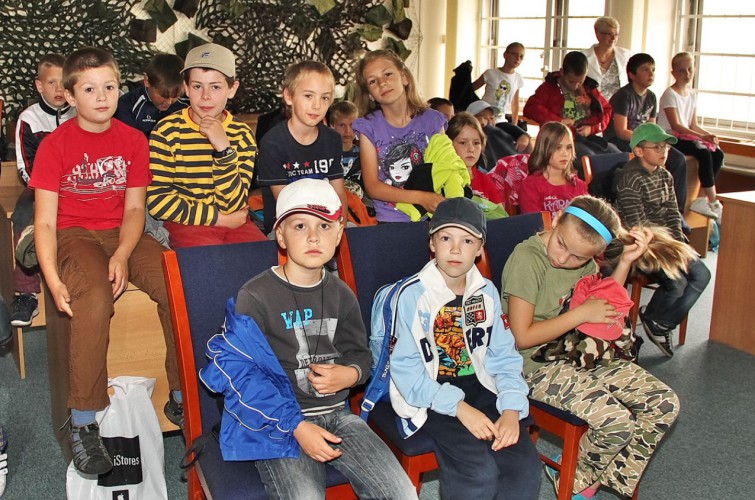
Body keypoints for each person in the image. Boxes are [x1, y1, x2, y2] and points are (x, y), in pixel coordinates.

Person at [202, 178, 417, 499]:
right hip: (280, 424)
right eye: (300, 226)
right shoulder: (255, 296)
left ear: (339, 233)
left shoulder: (341, 294)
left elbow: (359, 354)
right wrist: (297, 427)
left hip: (339, 416)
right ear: (281, 235)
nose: (314, 236)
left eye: (324, 226)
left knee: (402, 493)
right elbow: (239, 374)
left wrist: (351, 373)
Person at [30, 47, 181, 475]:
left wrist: (122, 254)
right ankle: (83, 421)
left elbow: (135, 209)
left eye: (110, 87)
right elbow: (45, 221)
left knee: (176, 282)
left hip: (122, 232)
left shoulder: (133, 140)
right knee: (95, 297)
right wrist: (52, 279)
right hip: (73, 233)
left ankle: (181, 395)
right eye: (90, 89)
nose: (102, 97)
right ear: (70, 96)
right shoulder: (54, 145)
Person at [502, 195, 680, 499]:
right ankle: (577, 480)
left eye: (578, 257)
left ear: (595, 254)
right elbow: (522, 337)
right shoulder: (528, 258)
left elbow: (602, 307)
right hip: (533, 367)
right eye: (561, 244)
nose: (563, 259)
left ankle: (582, 472)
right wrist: (582, 314)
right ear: (557, 218)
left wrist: (624, 263)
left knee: (664, 404)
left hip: (580, 353)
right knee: (617, 423)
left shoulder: (585, 261)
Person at [389, 197, 541, 500]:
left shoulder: (487, 292)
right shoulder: (411, 296)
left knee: (524, 469)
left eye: (467, 240)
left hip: (482, 386)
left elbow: (504, 356)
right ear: (432, 243)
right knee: (478, 474)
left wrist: (511, 408)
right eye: (446, 238)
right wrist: (459, 408)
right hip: (432, 393)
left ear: (480, 248)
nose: (456, 249)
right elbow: (405, 370)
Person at [148, 43, 265, 248]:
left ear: (232, 89)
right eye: (197, 86)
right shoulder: (166, 131)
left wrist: (224, 150)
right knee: (208, 262)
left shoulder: (242, 135)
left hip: (236, 222)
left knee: (263, 259)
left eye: (215, 87)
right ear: (186, 87)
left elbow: (234, 204)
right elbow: (158, 201)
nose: (205, 96)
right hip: (188, 223)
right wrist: (218, 219)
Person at [614, 123, 711, 357]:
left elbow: (672, 213)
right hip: (640, 244)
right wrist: (670, 248)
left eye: (665, 147)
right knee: (677, 285)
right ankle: (658, 320)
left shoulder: (665, 175)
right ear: (639, 151)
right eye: (656, 147)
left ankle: (659, 321)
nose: (664, 151)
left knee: (702, 275)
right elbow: (637, 225)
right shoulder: (629, 178)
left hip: (666, 241)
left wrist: (679, 243)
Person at [11, 53, 76, 327]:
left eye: (63, 83)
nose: (59, 89)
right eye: (52, 83)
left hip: (78, 187)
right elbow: (25, 167)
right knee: (23, 216)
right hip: (40, 187)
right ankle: (27, 294)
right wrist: (51, 191)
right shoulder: (29, 118)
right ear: (40, 86)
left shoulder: (80, 112)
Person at [352, 49, 448, 222]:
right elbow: (373, 187)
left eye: (388, 74)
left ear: (404, 78)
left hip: (433, 217)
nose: (382, 83)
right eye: (373, 81)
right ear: (370, 95)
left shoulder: (432, 120)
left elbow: (446, 167)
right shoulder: (368, 127)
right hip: (391, 220)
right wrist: (422, 198)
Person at [259, 61, 348, 219]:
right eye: (308, 96)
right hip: (287, 221)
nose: (317, 105)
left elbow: (339, 193)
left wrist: (341, 225)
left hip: (328, 220)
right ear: (289, 96)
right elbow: (285, 203)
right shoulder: (272, 143)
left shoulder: (333, 139)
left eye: (325, 98)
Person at [605, 53, 688, 212]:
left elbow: (653, 128)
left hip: (644, 142)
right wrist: (647, 142)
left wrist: (656, 144)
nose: (651, 74)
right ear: (632, 75)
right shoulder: (623, 96)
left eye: (653, 70)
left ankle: (676, 210)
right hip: (621, 142)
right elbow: (621, 131)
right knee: (647, 157)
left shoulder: (651, 97)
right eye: (645, 70)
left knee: (678, 159)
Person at [657, 52, 725, 220]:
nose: (687, 74)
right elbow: (676, 126)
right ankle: (714, 201)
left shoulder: (692, 94)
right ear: (673, 73)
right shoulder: (670, 94)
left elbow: (693, 124)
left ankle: (702, 197)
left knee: (717, 153)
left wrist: (708, 135)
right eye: (681, 71)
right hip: (670, 137)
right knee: (702, 151)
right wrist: (701, 138)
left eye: (690, 70)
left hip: (686, 135)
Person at [523, 51, 620, 164]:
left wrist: (592, 129)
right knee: (591, 161)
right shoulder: (549, 88)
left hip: (587, 138)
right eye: (571, 81)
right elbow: (530, 108)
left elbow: (606, 110)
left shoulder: (589, 88)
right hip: (560, 141)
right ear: (562, 72)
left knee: (618, 156)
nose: (576, 85)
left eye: (580, 82)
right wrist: (559, 121)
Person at [519, 121, 588, 220]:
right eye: (558, 148)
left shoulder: (579, 186)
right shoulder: (530, 186)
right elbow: (534, 224)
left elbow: (587, 221)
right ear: (544, 149)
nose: (565, 153)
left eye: (569, 147)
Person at [114, 53, 188, 137]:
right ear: (147, 81)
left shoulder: (188, 104)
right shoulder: (127, 105)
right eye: (164, 96)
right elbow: (129, 140)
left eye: (175, 96)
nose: (169, 102)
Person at [445, 112, 504, 204]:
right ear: (448, 144)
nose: (471, 149)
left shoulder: (485, 180)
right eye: (463, 143)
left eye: (476, 143)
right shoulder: (442, 178)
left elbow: (500, 212)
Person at [466, 100, 532, 170]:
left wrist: (525, 138)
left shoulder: (502, 127)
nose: (489, 121)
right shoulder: (469, 136)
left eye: (492, 118)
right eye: (484, 118)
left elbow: (525, 137)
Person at [472, 42, 525, 125]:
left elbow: (515, 105)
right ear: (505, 55)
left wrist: (514, 125)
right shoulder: (490, 73)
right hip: (485, 119)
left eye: (521, 56)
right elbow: (470, 89)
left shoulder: (518, 78)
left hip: (501, 120)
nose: (518, 58)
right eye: (514, 54)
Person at [582, 16, 632, 101]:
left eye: (616, 34)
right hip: (591, 105)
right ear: (597, 33)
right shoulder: (583, 56)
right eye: (609, 34)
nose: (613, 38)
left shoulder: (626, 55)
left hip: (619, 105)